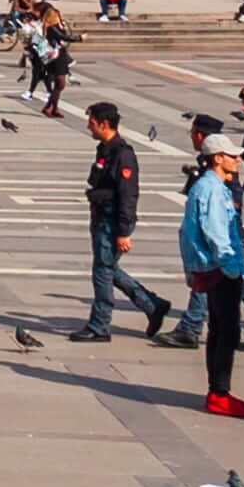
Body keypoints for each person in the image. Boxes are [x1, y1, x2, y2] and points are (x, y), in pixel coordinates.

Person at [178, 130, 244, 421]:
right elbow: (215, 233)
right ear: (217, 159)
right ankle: (219, 394)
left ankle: (218, 391)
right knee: (226, 332)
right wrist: (229, 266)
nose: (237, 160)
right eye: (232, 156)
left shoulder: (210, 185)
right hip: (220, 269)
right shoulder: (211, 189)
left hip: (213, 268)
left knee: (219, 330)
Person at [77, 105, 177, 343]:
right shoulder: (104, 149)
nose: (88, 126)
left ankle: (100, 325)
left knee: (102, 272)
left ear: (104, 124)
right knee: (108, 268)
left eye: (91, 122)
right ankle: (153, 305)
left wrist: (124, 231)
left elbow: (128, 195)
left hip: (111, 221)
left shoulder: (123, 154)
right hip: (101, 217)